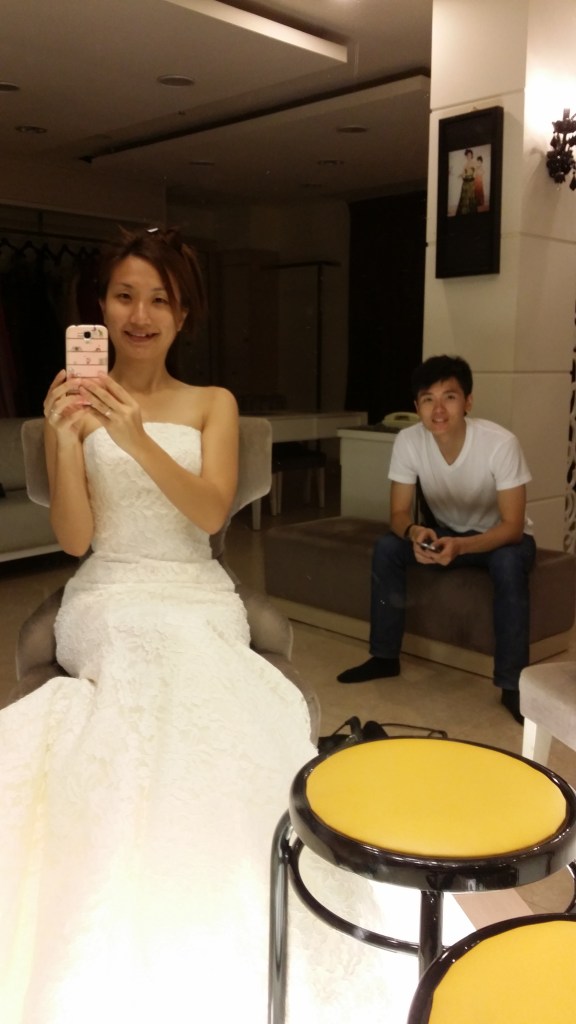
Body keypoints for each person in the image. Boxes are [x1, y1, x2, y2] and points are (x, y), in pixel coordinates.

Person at [0, 228, 390, 1022]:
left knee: (197, 669)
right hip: (109, 590)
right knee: (147, 659)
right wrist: (67, 440)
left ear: (184, 315)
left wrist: (134, 437)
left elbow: (211, 513)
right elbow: (74, 540)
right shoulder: (76, 401)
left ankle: (211, 879)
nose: (140, 315)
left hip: (195, 587)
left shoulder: (215, 404)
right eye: (124, 296)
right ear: (99, 307)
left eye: (160, 300)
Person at [337, 355, 535, 724]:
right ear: (417, 407)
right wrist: (415, 533)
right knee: (387, 547)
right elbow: (399, 514)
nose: (438, 410)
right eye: (428, 399)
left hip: (499, 540)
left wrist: (462, 547)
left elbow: (512, 527)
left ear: (468, 402)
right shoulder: (409, 441)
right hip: (447, 534)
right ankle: (384, 657)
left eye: (450, 397)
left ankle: (513, 686)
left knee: (509, 563)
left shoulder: (500, 443)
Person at [455, 149, 478, 215]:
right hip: (465, 183)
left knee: (471, 197)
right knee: (464, 198)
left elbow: (475, 172)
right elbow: (463, 173)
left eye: (470, 155)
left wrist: (473, 177)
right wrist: (460, 175)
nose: (469, 156)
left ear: (472, 155)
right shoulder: (465, 164)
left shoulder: (474, 163)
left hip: (471, 183)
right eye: (467, 155)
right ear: (466, 156)